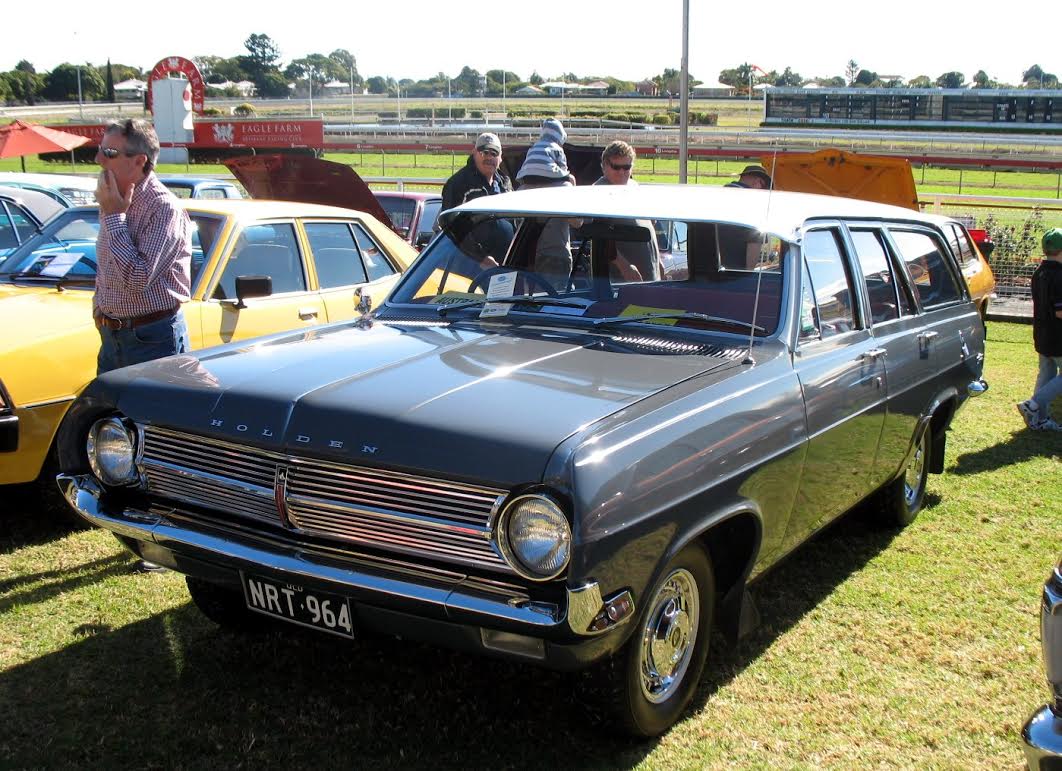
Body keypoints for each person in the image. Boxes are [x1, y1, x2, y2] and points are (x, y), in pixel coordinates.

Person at [93, 118, 193, 375]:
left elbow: (137, 279)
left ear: (140, 161)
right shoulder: (113, 197)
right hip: (113, 337)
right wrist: (100, 310)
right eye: (100, 150)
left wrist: (115, 216)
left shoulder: (163, 208)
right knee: (110, 415)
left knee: (157, 415)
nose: (99, 159)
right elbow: (107, 266)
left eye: (109, 153)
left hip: (152, 339)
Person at [516, 119, 578, 288]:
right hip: (555, 254)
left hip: (523, 255)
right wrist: (570, 184)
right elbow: (577, 222)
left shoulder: (522, 191)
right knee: (552, 302)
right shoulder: (563, 188)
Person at [592, 141, 658, 282]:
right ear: (604, 167)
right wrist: (624, 266)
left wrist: (658, 262)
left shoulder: (634, 187)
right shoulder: (599, 191)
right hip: (621, 280)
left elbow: (648, 226)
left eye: (626, 167)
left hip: (648, 273)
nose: (622, 172)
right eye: (616, 167)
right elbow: (599, 235)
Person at [1017, 228, 1062, 431]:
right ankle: (1032, 404)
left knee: (1046, 374)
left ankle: (1040, 420)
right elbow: (1060, 312)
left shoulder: (1039, 272)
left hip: (1042, 333)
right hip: (1058, 335)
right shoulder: (1060, 276)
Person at [441, 132, 512, 211]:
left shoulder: (505, 185)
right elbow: (449, 220)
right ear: (474, 153)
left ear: (500, 158)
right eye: (485, 152)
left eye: (494, 153)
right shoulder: (457, 184)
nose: (489, 157)